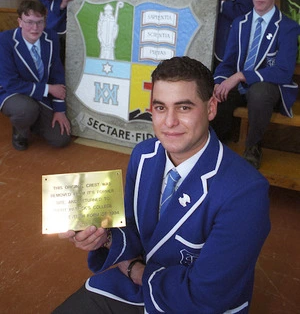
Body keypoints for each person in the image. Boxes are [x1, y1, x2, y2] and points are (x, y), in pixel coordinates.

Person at [54, 56, 270, 314]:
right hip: (139, 290)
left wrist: (136, 271)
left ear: (211, 108)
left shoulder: (246, 191)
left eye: (184, 108)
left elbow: (208, 296)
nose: (169, 122)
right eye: (160, 107)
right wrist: (104, 238)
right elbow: (135, 230)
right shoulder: (144, 155)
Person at [212, 0, 300, 169]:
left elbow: (284, 72)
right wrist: (220, 81)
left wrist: (241, 75)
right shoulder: (240, 23)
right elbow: (228, 63)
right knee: (217, 90)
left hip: (269, 86)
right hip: (242, 85)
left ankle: (253, 147)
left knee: (259, 92)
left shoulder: (287, 27)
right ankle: (217, 144)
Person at [0, 0, 71, 151]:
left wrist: (59, 110)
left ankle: (32, 122)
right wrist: (47, 89)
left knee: (61, 138)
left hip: (39, 96)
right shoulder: (5, 41)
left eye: (39, 22)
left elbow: (57, 75)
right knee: (25, 109)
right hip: (12, 93)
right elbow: (10, 83)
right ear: (19, 21)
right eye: (29, 22)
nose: (35, 28)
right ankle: (21, 130)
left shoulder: (50, 37)